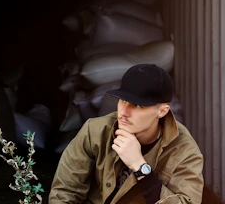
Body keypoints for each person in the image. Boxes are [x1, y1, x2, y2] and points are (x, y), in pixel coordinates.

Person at [49, 64, 204, 203]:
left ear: (162, 111)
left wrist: (140, 167)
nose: (123, 112)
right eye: (123, 100)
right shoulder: (95, 132)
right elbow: (64, 193)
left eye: (137, 105)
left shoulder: (184, 150)